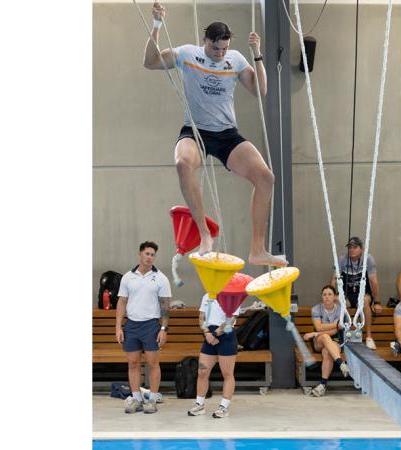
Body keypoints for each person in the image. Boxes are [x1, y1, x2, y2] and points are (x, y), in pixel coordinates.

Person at [143, 2, 286, 268]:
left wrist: (257, 54)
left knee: (266, 177)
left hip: (227, 135)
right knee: (182, 164)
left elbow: (260, 90)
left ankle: (257, 249)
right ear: (205, 40)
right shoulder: (188, 54)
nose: (220, 53)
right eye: (215, 48)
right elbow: (150, 62)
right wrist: (157, 25)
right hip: (196, 132)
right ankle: (205, 235)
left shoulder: (235, 60)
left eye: (224, 48)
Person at [115, 241, 172, 414]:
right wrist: (118, 327)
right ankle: (136, 399)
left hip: (151, 326)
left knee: (153, 363)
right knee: (133, 363)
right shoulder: (127, 277)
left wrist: (163, 329)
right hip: (132, 325)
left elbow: (165, 306)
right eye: (147, 254)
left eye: (152, 255)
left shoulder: (161, 278)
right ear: (140, 254)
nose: (149, 257)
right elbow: (122, 301)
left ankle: (152, 400)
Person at [187, 293, 238, 418]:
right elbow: (201, 318)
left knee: (227, 373)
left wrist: (215, 334)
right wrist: (207, 333)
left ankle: (224, 407)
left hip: (225, 336)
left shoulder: (234, 296)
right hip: (209, 336)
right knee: (202, 371)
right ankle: (199, 405)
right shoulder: (206, 296)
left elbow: (230, 319)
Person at [330, 236, 382, 349]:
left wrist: (377, 302)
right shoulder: (341, 260)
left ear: (361, 249)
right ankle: (340, 336)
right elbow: (334, 279)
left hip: (363, 293)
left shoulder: (368, 259)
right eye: (350, 247)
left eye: (355, 247)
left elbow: (373, 281)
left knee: (363, 302)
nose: (352, 250)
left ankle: (368, 337)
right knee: (337, 301)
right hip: (347, 294)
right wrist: (331, 295)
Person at [302, 285, 350, 397]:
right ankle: (341, 364)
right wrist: (333, 325)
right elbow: (319, 327)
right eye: (324, 294)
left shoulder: (341, 310)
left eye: (330, 294)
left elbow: (335, 331)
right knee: (324, 337)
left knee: (327, 352)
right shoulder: (316, 309)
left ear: (335, 297)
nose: (327, 297)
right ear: (321, 297)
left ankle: (322, 385)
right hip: (319, 341)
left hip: (336, 341)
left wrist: (315, 333)